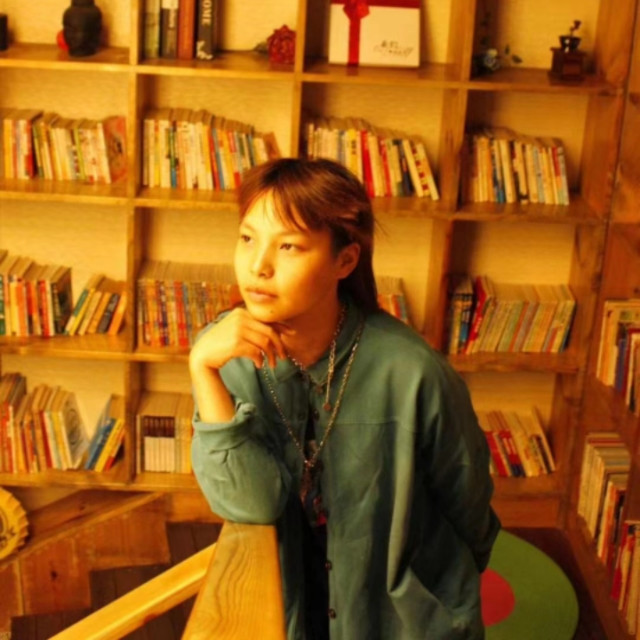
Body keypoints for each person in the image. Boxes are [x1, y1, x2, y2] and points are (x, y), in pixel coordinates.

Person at [189, 157, 501, 640]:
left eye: (288, 246)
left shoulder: (413, 371)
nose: (258, 266)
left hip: (401, 620)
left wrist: (439, 602)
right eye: (247, 238)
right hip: (293, 607)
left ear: (345, 261)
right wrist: (202, 370)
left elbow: (469, 510)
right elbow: (249, 504)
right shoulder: (227, 356)